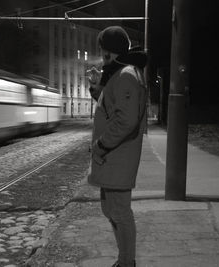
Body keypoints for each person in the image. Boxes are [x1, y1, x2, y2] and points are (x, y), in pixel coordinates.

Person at [87, 26, 147, 267]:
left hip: (116, 156)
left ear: (109, 51)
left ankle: (126, 263)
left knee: (120, 213)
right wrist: (96, 87)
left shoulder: (126, 76)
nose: (101, 56)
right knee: (111, 210)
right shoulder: (121, 74)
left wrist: (101, 146)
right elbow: (112, 108)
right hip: (112, 157)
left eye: (102, 50)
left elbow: (126, 120)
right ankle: (123, 260)